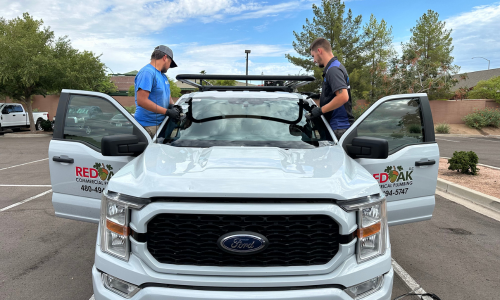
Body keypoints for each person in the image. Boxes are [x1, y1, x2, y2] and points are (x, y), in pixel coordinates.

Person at [307, 38, 354, 141]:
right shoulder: (334, 67)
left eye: (313, 56)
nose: (314, 60)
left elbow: (343, 96)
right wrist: (320, 95)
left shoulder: (333, 70)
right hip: (339, 128)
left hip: (339, 129)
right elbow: (335, 94)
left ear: (319, 51)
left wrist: (320, 110)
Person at [134, 45, 181, 137]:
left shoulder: (163, 76)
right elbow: (142, 101)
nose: (169, 67)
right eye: (170, 63)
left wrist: (173, 106)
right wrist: (167, 112)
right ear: (165, 58)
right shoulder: (147, 72)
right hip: (147, 127)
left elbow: (167, 96)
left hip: (161, 124)